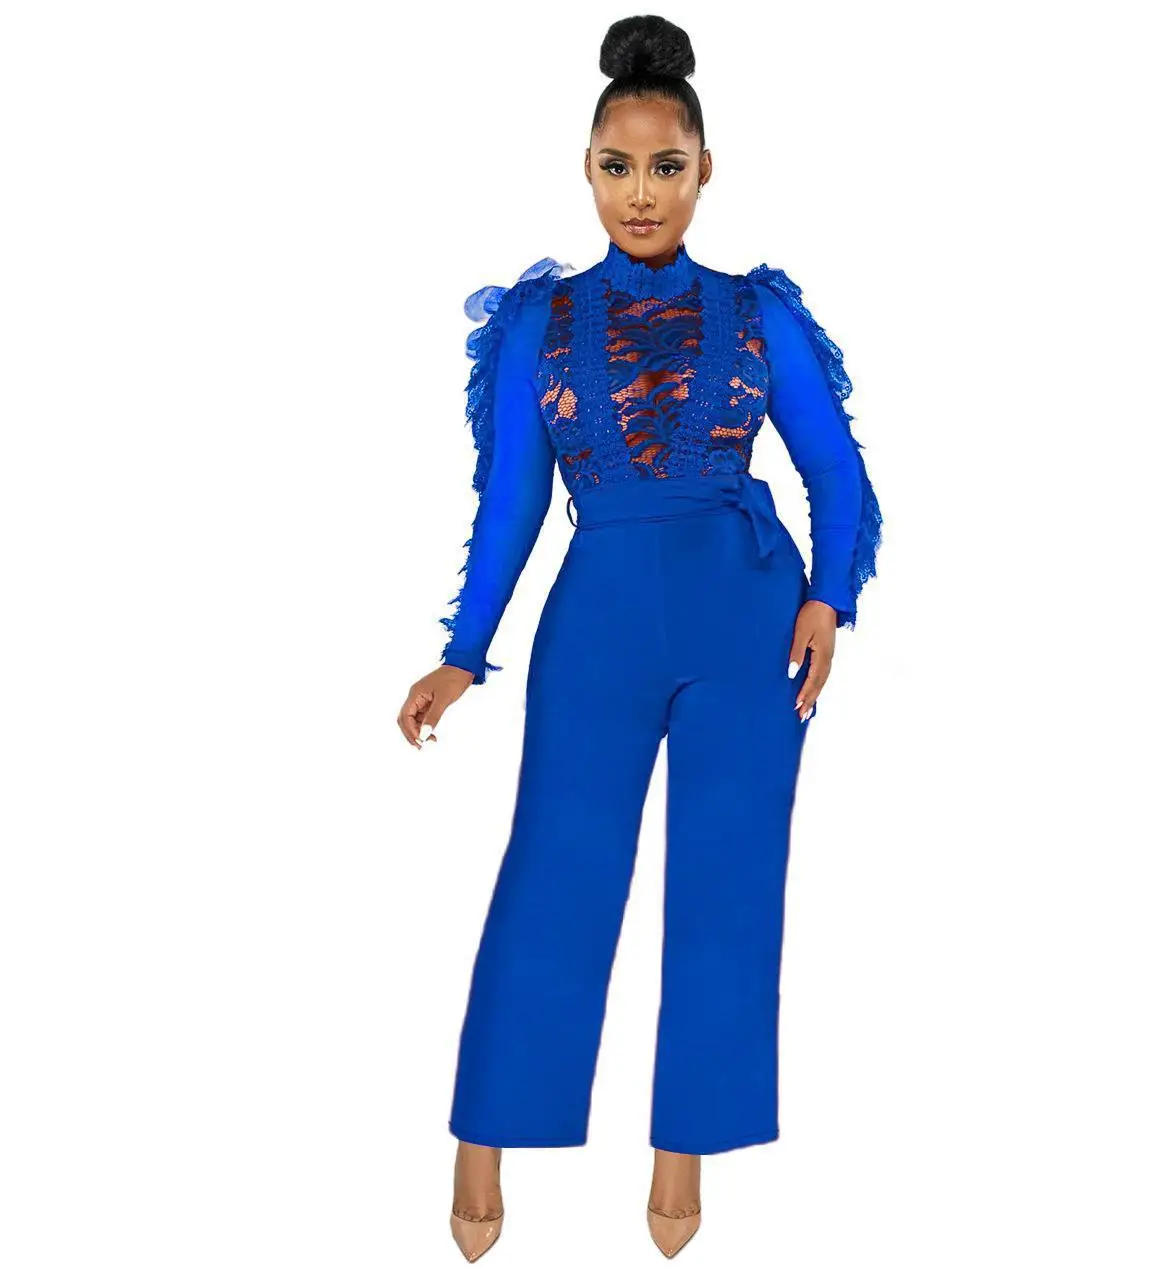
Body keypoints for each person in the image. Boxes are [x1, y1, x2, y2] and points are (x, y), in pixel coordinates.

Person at [396, 14, 882, 1263]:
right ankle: (482, 1137)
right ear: (585, 169)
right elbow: (510, 500)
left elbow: (836, 470)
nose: (641, 193)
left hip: (747, 622)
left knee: (728, 885)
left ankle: (681, 1151)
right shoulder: (538, 320)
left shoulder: (757, 312)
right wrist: (463, 648)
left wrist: (828, 596)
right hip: (597, 621)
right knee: (554, 872)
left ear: (704, 170)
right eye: (617, 167)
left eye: (666, 166)